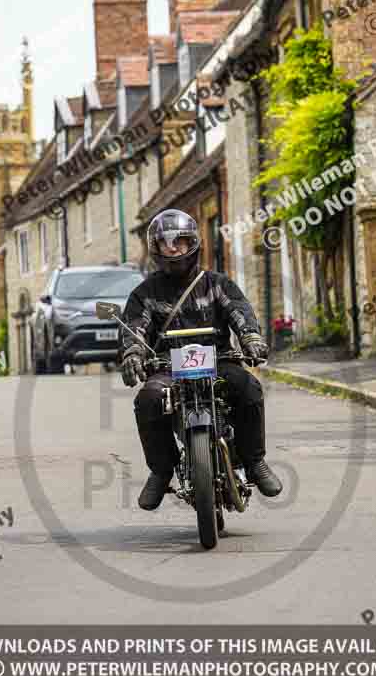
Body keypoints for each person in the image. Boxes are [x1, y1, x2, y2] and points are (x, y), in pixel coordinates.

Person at [120, 209, 283, 510]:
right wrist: (133, 353)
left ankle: (255, 462)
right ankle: (160, 471)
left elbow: (239, 311)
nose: (172, 249)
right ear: (154, 248)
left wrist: (251, 338)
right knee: (148, 399)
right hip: (168, 368)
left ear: (192, 243)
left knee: (248, 387)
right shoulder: (144, 294)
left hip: (218, 361)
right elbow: (137, 330)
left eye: (179, 242)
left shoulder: (218, 283)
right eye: (165, 243)